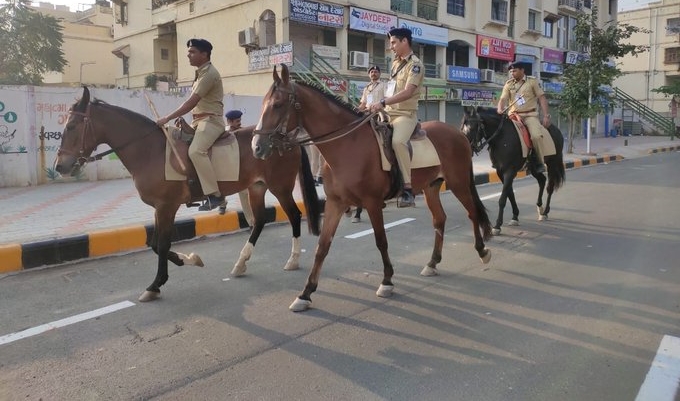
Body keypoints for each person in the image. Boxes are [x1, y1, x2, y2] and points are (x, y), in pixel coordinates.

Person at [156, 38, 226, 211]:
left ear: (204, 54)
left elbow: (190, 103)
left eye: (192, 52)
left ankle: (215, 196)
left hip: (211, 122)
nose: (188, 55)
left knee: (196, 151)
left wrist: (167, 118)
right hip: (199, 122)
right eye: (188, 52)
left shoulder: (209, 74)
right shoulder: (200, 73)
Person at [369, 27, 423, 207]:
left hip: (405, 115)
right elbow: (391, 88)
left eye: (393, 42)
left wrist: (383, 103)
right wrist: (375, 106)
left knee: (398, 142)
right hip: (387, 113)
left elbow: (408, 92)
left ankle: (408, 189)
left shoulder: (415, 65)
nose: (390, 46)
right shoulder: (395, 63)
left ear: (404, 41)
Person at [497, 61, 551, 173]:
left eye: (515, 70)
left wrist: (546, 115)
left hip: (529, 115)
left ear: (522, 70)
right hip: (513, 116)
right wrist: (499, 109)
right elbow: (502, 99)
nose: (512, 73)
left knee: (536, 136)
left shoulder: (532, 82)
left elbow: (541, 98)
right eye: (511, 71)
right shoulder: (509, 84)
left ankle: (540, 162)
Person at [219, 110, 254, 223]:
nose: (239, 123)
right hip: (226, 167)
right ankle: (222, 204)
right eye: (237, 121)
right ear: (229, 121)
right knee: (222, 188)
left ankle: (251, 222)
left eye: (240, 121)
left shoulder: (243, 132)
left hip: (241, 168)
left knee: (244, 193)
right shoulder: (223, 134)